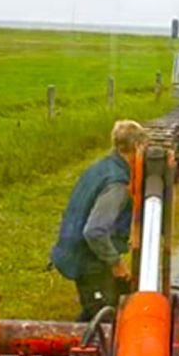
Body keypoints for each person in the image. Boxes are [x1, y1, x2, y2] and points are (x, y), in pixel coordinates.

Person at [50, 120, 148, 321]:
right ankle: (60, 351)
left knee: (97, 310)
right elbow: (95, 231)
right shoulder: (117, 184)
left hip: (76, 249)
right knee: (103, 318)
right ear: (137, 147)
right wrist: (116, 262)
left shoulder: (100, 167)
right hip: (87, 258)